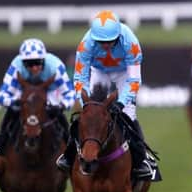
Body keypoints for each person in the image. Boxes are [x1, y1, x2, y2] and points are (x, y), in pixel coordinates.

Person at [56, 10, 161, 182]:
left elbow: (134, 80)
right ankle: (68, 156)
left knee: (129, 114)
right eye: (100, 41)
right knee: (87, 116)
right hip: (99, 73)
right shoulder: (86, 44)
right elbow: (80, 78)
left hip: (124, 75)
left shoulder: (131, 43)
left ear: (118, 36)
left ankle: (142, 161)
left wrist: (120, 104)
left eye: (109, 41)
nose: (104, 45)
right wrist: (86, 102)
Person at [0, 38, 76, 153]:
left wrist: (62, 106)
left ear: (44, 60)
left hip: (49, 93)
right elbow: (1, 97)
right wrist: (14, 102)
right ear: (23, 63)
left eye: (38, 63)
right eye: (30, 64)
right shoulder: (16, 66)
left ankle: (70, 149)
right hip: (23, 93)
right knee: (11, 111)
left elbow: (70, 94)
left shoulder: (55, 66)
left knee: (58, 114)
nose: (34, 68)